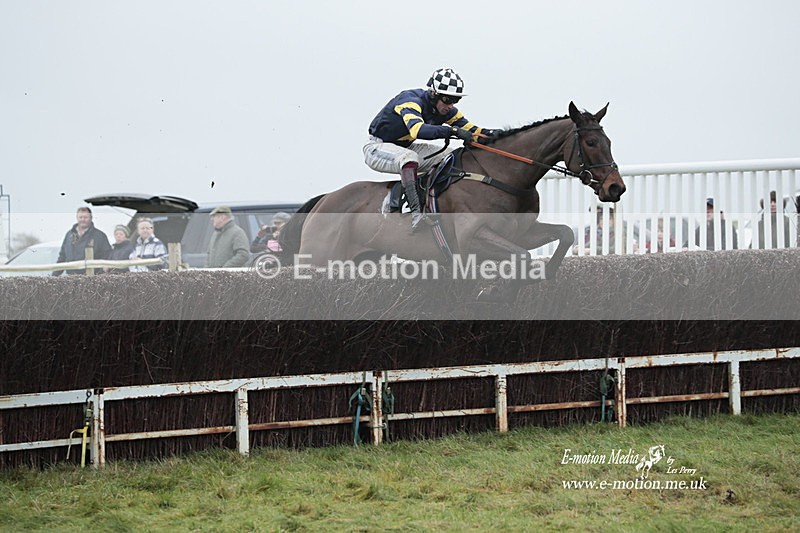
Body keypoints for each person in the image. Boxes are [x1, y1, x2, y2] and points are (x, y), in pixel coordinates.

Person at [364, 67, 494, 230]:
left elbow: (472, 130)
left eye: (455, 100)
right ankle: (416, 212)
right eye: (447, 99)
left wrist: (498, 135)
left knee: (450, 156)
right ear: (434, 94)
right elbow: (417, 130)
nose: (450, 105)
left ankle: (435, 200)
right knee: (408, 158)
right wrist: (452, 131)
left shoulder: (447, 111)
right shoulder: (410, 101)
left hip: (406, 145)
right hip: (377, 147)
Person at [53, 206, 112, 276]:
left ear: (91, 218)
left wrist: (102, 271)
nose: (83, 220)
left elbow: (107, 255)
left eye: (85, 217)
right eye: (80, 217)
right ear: (77, 218)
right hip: (71, 278)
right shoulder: (69, 235)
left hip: (92, 278)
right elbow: (62, 256)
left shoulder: (99, 236)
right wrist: (54, 276)